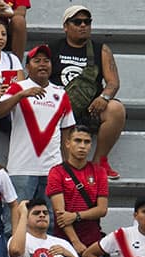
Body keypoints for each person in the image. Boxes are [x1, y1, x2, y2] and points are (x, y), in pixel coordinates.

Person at [49, 6, 125, 178]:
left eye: (87, 22)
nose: (83, 25)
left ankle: (100, 161)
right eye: (77, 22)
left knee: (116, 109)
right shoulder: (52, 48)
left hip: (90, 109)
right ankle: (67, 169)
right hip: (59, 109)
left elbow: (113, 82)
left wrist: (104, 97)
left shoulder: (101, 49)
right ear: (66, 26)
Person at [0, 45, 75, 201]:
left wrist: (67, 168)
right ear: (27, 67)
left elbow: (67, 134)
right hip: (21, 169)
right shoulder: (17, 87)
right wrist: (21, 95)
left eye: (46, 61)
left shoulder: (61, 93)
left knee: (50, 221)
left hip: (52, 170)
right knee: (16, 221)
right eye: (37, 60)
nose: (43, 64)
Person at [48, 126, 108, 257]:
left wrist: (76, 216)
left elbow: (102, 209)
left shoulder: (99, 172)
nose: (82, 146)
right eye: (77, 141)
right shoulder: (56, 172)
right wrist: (75, 242)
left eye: (86, 142)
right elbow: (60, 214)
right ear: (68, 143)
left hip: (93, 242)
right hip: (63, 243)